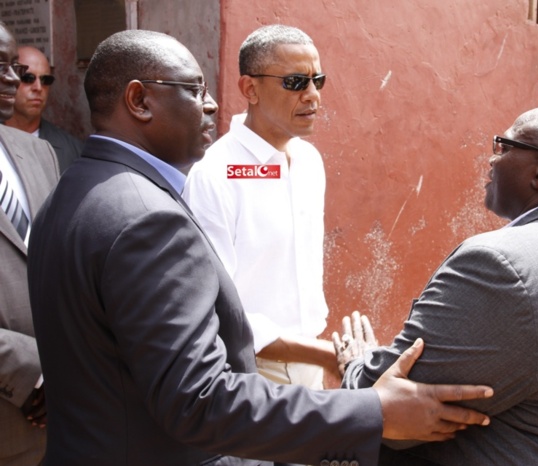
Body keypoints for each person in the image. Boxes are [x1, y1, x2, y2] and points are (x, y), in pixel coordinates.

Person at [27, 29, 494, 466]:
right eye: (194, 90)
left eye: (319, 80)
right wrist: (372, 409)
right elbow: (199, 399)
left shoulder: (72, 192)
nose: (210, 106)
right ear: (139, 100)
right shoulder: (154, 216)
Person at [337, 106, 538, 465]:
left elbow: (385, 405)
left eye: (504, 147)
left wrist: (353, 363)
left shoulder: (500, 263)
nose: (491, 160)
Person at [183, 25, 336, 388]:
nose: (312, 96)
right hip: (250, 371)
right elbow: (216, 306)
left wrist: (319, 355)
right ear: (250, 88)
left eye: (318, 81)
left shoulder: (309, 161)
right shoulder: (214, 175)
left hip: (312, 360)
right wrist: (329, 355)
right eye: (296, 82)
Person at [0, 23, 59, 466]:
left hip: (60, 417)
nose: (12, 81)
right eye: (1, 68)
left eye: (12, 68)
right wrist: (32, 373)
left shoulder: (39, 153)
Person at [5, 46, 83, 174]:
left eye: (45, 80)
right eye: (28, 78)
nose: (38, 87)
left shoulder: (73, 151)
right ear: (8, 80)